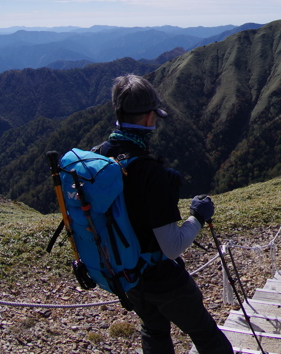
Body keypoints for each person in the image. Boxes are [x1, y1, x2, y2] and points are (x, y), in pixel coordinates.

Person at [94, 74, 232, 354]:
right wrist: (198, 216)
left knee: (154, 330)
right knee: (205, 334)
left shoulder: (100, 156)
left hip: (127, 274)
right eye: (155, 115)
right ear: (147, 118)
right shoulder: (150, 172)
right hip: (162, 278)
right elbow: (172, 246)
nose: (156, 120)